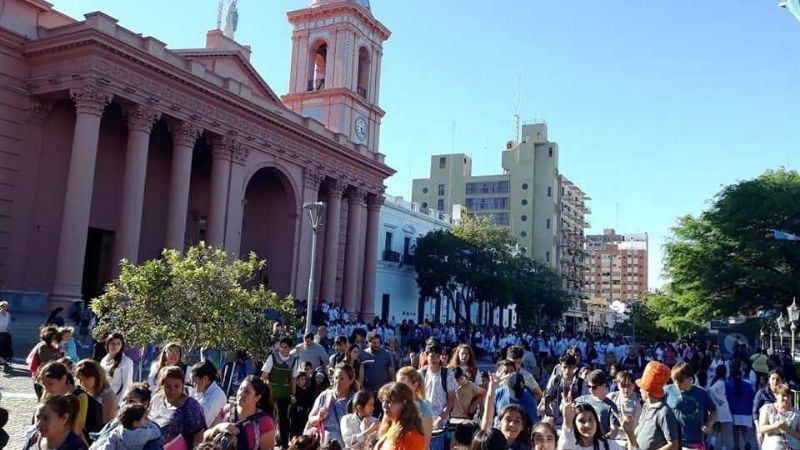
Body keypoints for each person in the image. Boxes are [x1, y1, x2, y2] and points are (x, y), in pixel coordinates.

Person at [204, 376, 277, 450]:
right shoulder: (227, 410)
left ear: (257, 397)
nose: (241, 394)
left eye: (247, 392)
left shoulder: (265, 422)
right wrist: (219, 428)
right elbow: (205, 437)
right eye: (240, 389)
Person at [148, 366, 206, 446]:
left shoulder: (191, 406)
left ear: (182, 385)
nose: (172, 391)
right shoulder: (157, 400)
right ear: (162, 386)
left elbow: (199, 438)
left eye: (177, 386)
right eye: (168, 387)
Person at [664, 362, 717, 450]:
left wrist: (709, 425)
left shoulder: (701, 394)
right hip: (671, 441)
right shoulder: (667, 390)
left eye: (680, 380)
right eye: (674, 380)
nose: (677, 384)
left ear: (690, 379)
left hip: (693, 442)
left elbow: (713, 410)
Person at [630, 361, 680, 450]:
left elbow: (673, 445)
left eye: (641, 388)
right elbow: (640, 427)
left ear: (647, 391)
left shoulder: (664, 413)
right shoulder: (646, 406)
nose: (640, 390)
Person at [306, 362, 359, 445]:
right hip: (324, 445)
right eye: (336, 378)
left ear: (351, 380)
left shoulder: (356, 400)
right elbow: (311, 420)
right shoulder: (325, 396)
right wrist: (319, 417)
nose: (337, 381)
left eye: (341, 378)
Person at [39, 361, 92, 440]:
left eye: (50, 384)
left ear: (64, 379)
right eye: (43, 384)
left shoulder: (80, 397)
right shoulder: (48, 394)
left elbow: (76, 430)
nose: (46, 388)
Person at [261, 336, 297, 448]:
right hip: (271, 393)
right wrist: (264, 391)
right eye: (281, 347)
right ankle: (267, 443)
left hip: (284, 394)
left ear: (290, 348)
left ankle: (284, 444)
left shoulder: (294, 360)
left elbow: (294, 379)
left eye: (285, 347)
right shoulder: (272, 357)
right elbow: (264, 376)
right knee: (268, 417)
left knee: (283, 419)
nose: (282, 349)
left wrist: (293, 394)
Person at [23, 395, 87, 450]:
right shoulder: (34, 437)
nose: (38, 425)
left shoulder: (75, 447)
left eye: (46, 418)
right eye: (38, 418)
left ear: (64, 418)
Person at [557, 402, 631, 450]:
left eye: (591, 419)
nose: (587, 424)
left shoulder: (611, 446)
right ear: (575, 425)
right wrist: (567, 423)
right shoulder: (571, 446)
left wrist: (630, 435)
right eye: (582, 421)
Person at [374, 382, 426, 450]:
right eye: (383, 401)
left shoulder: (413, 437)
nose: (384, 405)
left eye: (389, 402)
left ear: (404, 403)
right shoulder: (389, 426)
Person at [420, 341, 456, 430]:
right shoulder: (420, 374)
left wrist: (440, 419)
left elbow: (451, 400)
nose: (435, 359)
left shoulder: (448, 374)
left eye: (437, 356)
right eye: (432, 356)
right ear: (426, 355)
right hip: (423, 420)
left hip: (441, 422)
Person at [395, 366, 434, 446]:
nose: (399, 388)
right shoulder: (396, 405)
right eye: (398, 384)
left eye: (403, 384)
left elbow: (425, 443)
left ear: (415, 385)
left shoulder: (424, 408)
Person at [574, 370, 618, 437]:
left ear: (603, 385)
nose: (591, 389)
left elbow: (614, 431)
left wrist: (604, 438)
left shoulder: (610, 406)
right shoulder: (581, 400)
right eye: (589, 386)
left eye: (594, 387)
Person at [757, 383, 800, 450]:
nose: (786, 398)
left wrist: (787, 429)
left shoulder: (797, 413)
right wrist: (776, 425)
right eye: (783, 396)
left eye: (788, 396)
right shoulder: (767, 408)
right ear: (776, 395)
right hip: (771, 447)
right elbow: (761, 429)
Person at [75, 359, 118, 424]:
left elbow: (107, 424)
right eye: (81, 379)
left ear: (97, 376)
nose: (83, 383)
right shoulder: (83, 393)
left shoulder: (108, 396)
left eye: (86, 378)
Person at [605, 370, 640, 447]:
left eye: (629, 385)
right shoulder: (612, 397)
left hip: (635, 438)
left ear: (634, 385)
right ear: (617, 385)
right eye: (623, 386)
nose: (626, 390)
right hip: (617, 439)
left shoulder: (640, 399)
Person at [725, 366, 756, 450]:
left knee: (735, 429)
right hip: (746, 410)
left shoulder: (728, 385)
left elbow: (726, 397)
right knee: (744, 429)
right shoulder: (748, 385)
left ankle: (736, 446)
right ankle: (747, 442)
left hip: (734, 410)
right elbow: (753, 396)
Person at [190, 359, 227, 428]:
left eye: (194, 382)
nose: (192, 384)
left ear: (205, 379)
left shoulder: (217, 396)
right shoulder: (202, 391)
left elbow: (200, 420)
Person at [29, 325, 63, 399]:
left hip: (49, 377)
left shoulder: (53, 346)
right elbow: (47, 362)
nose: (56, 339)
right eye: (54, 337)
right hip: (43, 378)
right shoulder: (43, 346)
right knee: (44, 400)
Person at [100, 333, 134, 405]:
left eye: (118, 344)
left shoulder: (126, 361)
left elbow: (127, 384)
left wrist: (120, 404)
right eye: (113, 343)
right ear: (107, 344)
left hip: (116, 400)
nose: (115, 346)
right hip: (102, 398)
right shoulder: (103, 360)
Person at [707, 364, 733, 450]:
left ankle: (712, 444)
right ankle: (723, 448)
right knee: (723, 430)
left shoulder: (715, 381)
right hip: (723, 407)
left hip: (717, 407)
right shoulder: (721, 382)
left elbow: (710, 390)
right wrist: (718, 399)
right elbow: (711, 390)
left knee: (716, 428)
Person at [754, 369, 784, 440]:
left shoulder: (785, 394)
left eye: (778, 379)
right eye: (773, 379)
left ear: (782, 380)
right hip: (764, 428)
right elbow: (755, 412)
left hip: (780, 429)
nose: (775, 382)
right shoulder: (761, 393)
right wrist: (759, 430)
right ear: (769, 379)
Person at [0, 300, 12, 371]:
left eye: (6, 306)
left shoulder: (8, 314)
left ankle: (3, 360)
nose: (4, 308)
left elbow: (9, 323)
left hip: (5, 333)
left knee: (5, 348)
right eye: (3, 306)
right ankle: (2, 361)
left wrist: (9, 331)